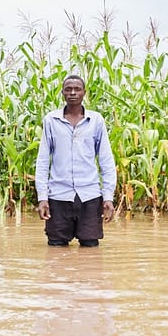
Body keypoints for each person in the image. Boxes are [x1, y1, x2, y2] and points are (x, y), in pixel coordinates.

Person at [35, 74, 116, 246]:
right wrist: (42, 197)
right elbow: (43, 161)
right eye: (68, 89)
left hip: (90, 195)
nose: (73, 92)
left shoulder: (96, 121)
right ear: (62, 93)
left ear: (84, 93)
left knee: (90, 249)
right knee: (56, 249)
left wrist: (108, 197)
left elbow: (106, 160)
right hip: (58, 195)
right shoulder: (51, 120)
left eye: (77, 89)